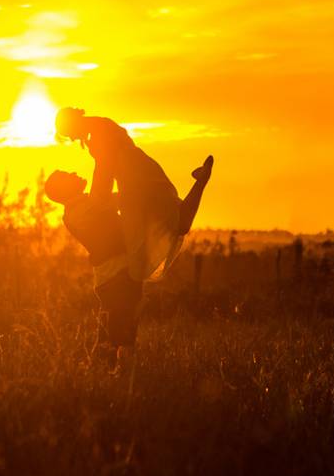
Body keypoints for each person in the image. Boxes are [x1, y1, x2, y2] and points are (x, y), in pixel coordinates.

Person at [45, 160, 212, 373]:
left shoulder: (89, 202)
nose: (74, 172)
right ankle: (113, 376)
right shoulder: (75, 213)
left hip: (121, 274)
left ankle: (200, 183)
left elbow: (124, 198)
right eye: (68, 175)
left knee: (119, 330)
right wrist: (103, 157)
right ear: (64, 189)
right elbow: (108, 219)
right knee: (120, 333)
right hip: (115, 277)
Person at [54, 107, 213, 282]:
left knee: (142, 248)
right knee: (178, 220)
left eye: (69, 133)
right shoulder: (98, 127)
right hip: (140, 170)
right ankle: (201, 180)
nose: (72, 138)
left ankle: (126, 297)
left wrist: (96, 199)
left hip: (134, 181)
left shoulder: (99, 133)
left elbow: (103, 172)